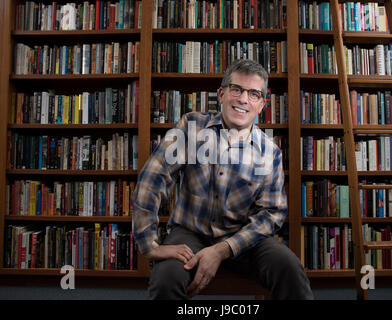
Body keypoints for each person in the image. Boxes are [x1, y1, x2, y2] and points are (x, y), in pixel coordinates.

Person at [132, 59, 313, 300]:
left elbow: (271, 214)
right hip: (190, 233)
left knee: (290, 268)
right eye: (236, 89)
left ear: (262, 104)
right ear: (222, 93)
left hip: (244, 240)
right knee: (167, 278)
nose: (243, 99)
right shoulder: (192, 127)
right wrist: (150, 245)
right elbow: (153, 178)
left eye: (253, 94)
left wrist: (221, 250)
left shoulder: (269, 152)